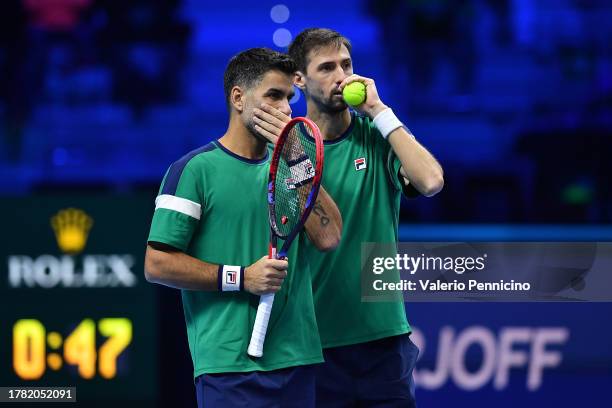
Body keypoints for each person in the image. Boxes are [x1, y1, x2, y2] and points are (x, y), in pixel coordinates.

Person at [144, 47, 342, 407]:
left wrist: (295, 154)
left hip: (298, 359)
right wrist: (240, 277)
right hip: (228, 367)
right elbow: (157, 264)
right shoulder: (194, 170)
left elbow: (328, 237)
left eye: (289, 98)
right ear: (238, 97)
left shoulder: (293, 167)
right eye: (273, 95)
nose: (285, 109)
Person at [286, 28, 444, 406]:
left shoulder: (378, 137)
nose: (342, 77)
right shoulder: (288, 152)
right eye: (326, 68)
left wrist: (379, 111)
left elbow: (431, 181)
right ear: (299, 80)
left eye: (346, 65)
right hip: (314, 348)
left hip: (384, 347)